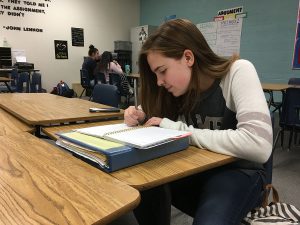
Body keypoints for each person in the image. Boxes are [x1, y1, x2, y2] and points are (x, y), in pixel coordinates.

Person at [124, 19, 273, 225]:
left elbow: (259, 145)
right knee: (142, 181)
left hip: (239, 171)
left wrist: (180, 131)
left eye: (162, 71)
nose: (159, 81)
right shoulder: (180, 88)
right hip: (195, 167)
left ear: (188, 57)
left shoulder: (237, 71)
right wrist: (136, 113)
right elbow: (150, 113)